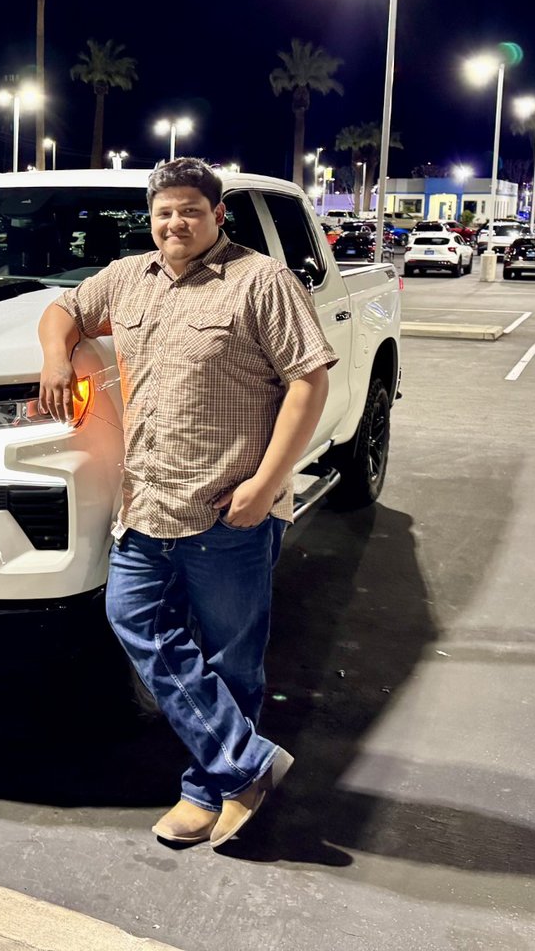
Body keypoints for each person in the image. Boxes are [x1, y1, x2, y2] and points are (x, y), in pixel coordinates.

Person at [38, 158, 335, 849]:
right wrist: (57, 357)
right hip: (146, 500)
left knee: (232, 657)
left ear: (217, 215)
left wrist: (265, 485)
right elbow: (63, 310)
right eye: (165, 211)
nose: (176, 223)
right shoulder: (129, 277)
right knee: (132, 616)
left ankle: (209, 791)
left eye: (191, 211)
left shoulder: (260, 281)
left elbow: (308, 382)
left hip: (229, 506)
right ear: (152, 217)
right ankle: (248, 765)